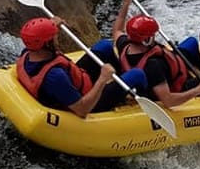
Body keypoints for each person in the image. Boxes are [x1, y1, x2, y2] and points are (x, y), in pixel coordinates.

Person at [15, 17, 146, 118]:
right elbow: (82, 110)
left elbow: (38, 40)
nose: (57, 39)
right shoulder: (55, 76)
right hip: (90, 103)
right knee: (137, 74)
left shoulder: (28, 53)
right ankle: (152, 96)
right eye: (54, 37)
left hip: (79, 83)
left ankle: (122, 81)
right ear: (47, 43)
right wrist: (102, 79)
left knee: (105, 46)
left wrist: (51, 25)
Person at [112, 0, 200, 109]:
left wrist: (126, 3)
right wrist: (198, 90)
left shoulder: (125, 45)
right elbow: (168, 101)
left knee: (191, 42)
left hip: (174, 68)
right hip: (178, 86)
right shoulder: (154, 65)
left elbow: (117, 31)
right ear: (147, 39)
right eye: (153, 35)